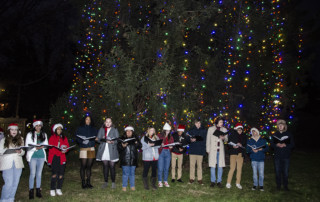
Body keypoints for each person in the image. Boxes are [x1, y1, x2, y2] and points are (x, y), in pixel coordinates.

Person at [0, 123, 25, 202]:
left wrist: (20, 151)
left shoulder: (21, 139)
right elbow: (0, 151)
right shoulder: (4, 140)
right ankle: (4, 199)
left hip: (18, 163)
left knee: (15, 183)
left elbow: (23, 152)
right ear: (9, 130)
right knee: (8, 183)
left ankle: (11, 198)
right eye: (12, 129)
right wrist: (10, 149)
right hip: (7, 164)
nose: (14, 131)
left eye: (15, 130)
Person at [25, 120, 48, 199]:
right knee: (32, 174)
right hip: (33, 156)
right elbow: (27, 146)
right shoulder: (29, 134)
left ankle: (38, 190)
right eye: (36, 126)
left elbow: (46, 144)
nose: (38, 127)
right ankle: (31, 191)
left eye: (39, 126)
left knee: (39, 174)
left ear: (41, 126)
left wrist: (43, 146)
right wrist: (36, 148)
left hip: (41, 156)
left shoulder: (44, 134)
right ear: (34, 126)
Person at [271, 119, 294, 191]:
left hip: (286, 156)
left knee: (285, 172)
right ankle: (278, 186)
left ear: (284, 126)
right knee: (277, 172)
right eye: (279, 125)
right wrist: (276, 144)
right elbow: (272, 145)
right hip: (277, 156)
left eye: (282, 125)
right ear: (277, 126)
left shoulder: (289, 134)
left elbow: (292, 145)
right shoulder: (275, 134)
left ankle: (285, 186)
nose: (280, 126)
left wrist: (285, 145)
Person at [96, 118, 119, 189]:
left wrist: (112, 142)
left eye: (109, 122)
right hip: (103, 150)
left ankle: (113, 182)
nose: (108, 123)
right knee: (105, 166)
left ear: (111, 123)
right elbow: (98, 140)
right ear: (105, 122)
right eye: (107, 122)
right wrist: (101, 139)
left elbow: (117, 140)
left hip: (111, 150)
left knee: (112, 166)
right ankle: (105, 182)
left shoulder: (114, 129)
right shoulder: (101, 129)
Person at [75, 115, 97, 189]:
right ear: (84, 120)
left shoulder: (93, 129)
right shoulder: (80, 128)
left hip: (91, 148)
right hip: (83, 148)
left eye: (89, 119)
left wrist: (96, 139)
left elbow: (96, 137)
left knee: (89, 166)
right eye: (87, 119)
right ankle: (83, 182)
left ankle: (88, 182)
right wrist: (82, 141)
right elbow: (77, 138)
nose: (88, 121)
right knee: (83, 166)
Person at [48, 124, 70, 196]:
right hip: (54, 157)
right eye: (58, 129)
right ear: (55, 130)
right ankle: (52, 189)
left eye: (60, 129)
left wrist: (65, 150)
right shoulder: (52, 137)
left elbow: (67, 146)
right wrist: (58, 151)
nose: (59, 130)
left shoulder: (64, 138)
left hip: (62, 157)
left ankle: (59, 188)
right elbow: (51, 149)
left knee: (61, 174)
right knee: (54, 174)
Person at [117, 125, 142, 191]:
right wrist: (122, 145)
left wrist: (137, 143)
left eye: (130, 131)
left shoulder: (135, 138)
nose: (128, 132)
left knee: (132, 173)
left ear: (132, 132)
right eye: (127, 131)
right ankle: (124, 186)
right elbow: (118, 148)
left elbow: (140, 146)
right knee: (125, 173)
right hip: (125, 159)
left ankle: (132, 186)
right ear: (125, 132)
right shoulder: (121, 138)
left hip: (133, 159)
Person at [206, 117, 228, 188]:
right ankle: (213, 181)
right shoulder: (211, 129)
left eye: (222, 122)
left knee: (220, 166)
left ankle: (219, 181)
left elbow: (226, 139)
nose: (222, 123)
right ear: (217, 122)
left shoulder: (224, 129)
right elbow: (208, 139)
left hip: (220, 150)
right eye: (221, 122)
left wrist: (224, 138)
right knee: (212, 166)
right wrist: (208, 149)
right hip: (212, 150)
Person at [226, 123, 247, 189]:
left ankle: (238, 183)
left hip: (240, 154)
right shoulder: (232, 135)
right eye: (238, 130)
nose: (240, 131)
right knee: (232, 168)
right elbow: (228, 144)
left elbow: (245, 145)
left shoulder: (244, 136)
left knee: (239, 169)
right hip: (233, 153)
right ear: (236, 129)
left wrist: (241, 145)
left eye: (241, 130)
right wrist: (233, 146)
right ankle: (228, 182)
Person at [186, 119, 207, 185]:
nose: (198, 124)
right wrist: (190, 140)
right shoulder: (191, 130)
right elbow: (187, 139)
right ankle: (191, 178)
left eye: (199, 123)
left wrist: (199, 140)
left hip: (200, 150)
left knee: (199, 165)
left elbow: (205, 140)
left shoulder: (204, 130)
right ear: (195, 123)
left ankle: (199, 179)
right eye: (197, 123)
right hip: (192, 150)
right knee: (192, 165)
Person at [158, 122, 174, 188]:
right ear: (164, 130)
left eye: (169, 131)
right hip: (161, 152)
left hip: (168, 152)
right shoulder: (159, 136)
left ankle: (165, 181)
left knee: (166, 168)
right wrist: (160, 144)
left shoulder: (171, 136)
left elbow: (172, 144)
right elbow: (156, 143)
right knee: (160, 168)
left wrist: (171, 146)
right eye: (167, 130)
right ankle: (159, 181)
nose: (168, 132)